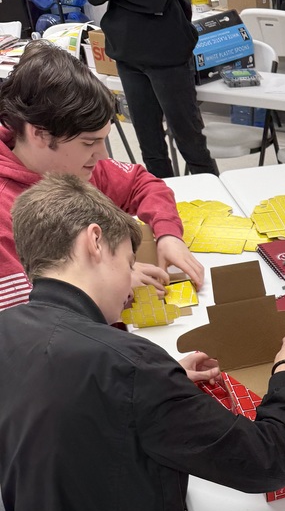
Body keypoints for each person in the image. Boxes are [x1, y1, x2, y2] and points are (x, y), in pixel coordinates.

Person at [0, 174, 285, 511]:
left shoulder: (9, 327)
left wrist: (163, 386)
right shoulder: (127, 365)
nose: (131, 283)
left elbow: (64, 405)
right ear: (94, 241)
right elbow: (273, 461)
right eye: (129, 262)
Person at [0, 40, 205, 319]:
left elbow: (141, 183)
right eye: (89, 143)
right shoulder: (5, 211)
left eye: (103, 139)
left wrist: (169, 234)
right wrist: (110, 285)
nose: (102, 154)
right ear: (39, 134)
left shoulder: (74, 166)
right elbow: (26, 316)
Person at [79, 0, 218, 179]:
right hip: (127, 52)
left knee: (190, 142)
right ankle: (163, 205)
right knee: (150, 146)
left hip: (167, 52)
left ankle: (217, 204)